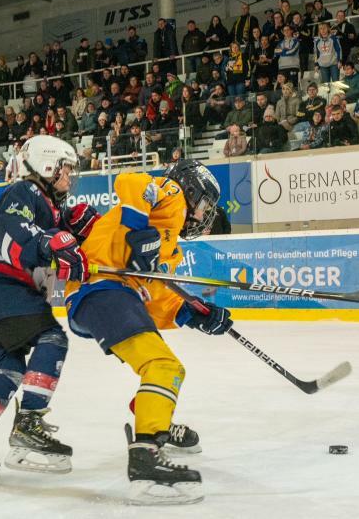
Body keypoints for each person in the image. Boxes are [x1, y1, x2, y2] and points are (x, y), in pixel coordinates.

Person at [65, 160, 227, 505]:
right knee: (163, 367)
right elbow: (130, 181)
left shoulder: (170, 250)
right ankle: (146, 455)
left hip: (114, 295)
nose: (202, 214)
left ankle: (156, 425)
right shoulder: (171, 196)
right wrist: (139, 231)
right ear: (192, 190)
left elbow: (156, 296)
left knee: (166, 368)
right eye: (204, 205)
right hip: (101, 287)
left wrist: (194, 313)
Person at [0, 136, 94, 484]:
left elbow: (60, 239)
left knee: (9, 369)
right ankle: (30, 422)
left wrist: (82, 239)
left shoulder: (50, 208)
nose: (70, 178)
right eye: (66, 170)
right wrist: (51, 245)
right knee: (53, 339)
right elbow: (18, 239)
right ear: (47, 166)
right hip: (0, 291)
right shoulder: (23, 194)